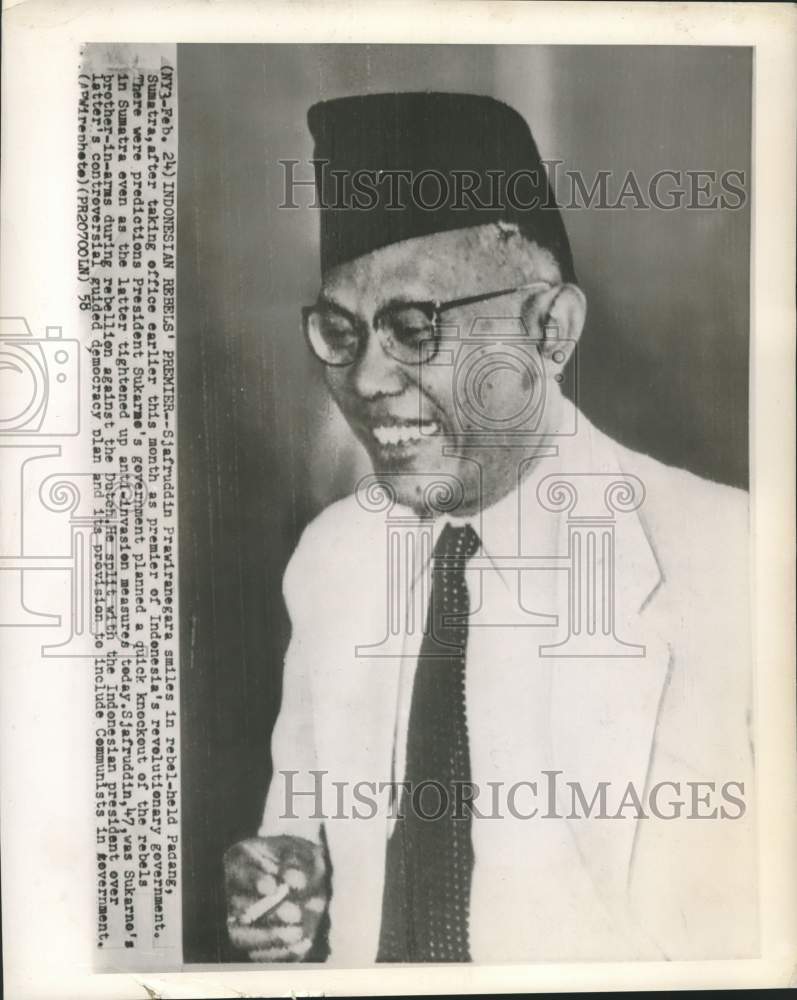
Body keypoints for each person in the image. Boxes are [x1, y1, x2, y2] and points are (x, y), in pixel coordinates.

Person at [224, 92, 755, 964]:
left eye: (413, 328)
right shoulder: (333, 558)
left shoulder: (737, 560)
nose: (365, 381)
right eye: (340, 331)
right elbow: (300, 826)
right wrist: (286, 882)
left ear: (551, 330)